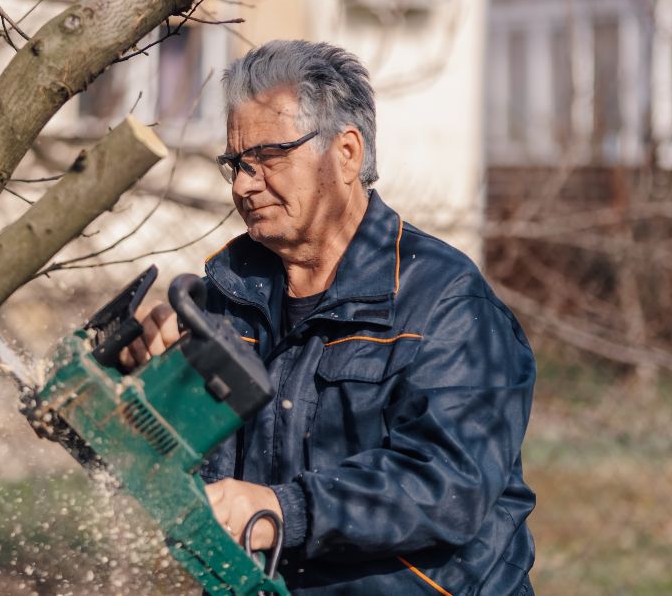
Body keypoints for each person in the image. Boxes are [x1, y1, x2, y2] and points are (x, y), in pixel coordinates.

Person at [121, 40, 536, 595]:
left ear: (346, 153)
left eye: (268, 158)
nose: (245, 184)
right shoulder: (227, 300)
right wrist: (148, 381)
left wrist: (279, 510)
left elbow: (448, 483)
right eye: (236, 164)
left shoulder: (447, 304)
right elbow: (192, 478)